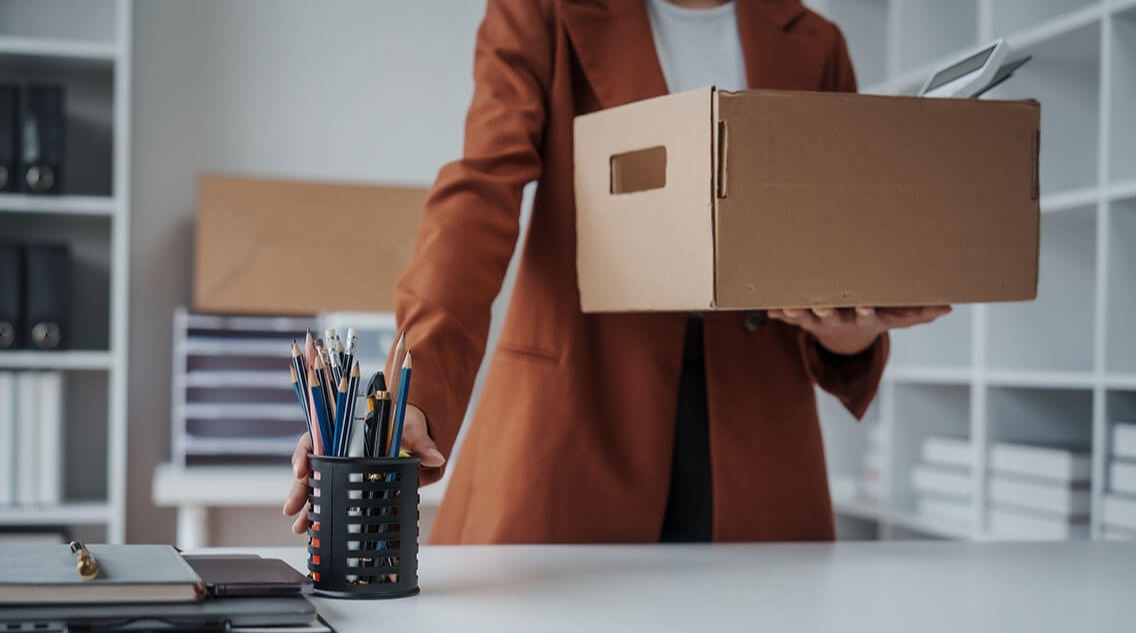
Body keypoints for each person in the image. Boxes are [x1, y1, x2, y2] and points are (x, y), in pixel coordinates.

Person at [284, 0, 949, 543]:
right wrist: (416, 390)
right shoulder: (542, 10)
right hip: (577, 421)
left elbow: (834, 245)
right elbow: (481, 193)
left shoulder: (817, 42)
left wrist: (849, 337)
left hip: (760, 446)